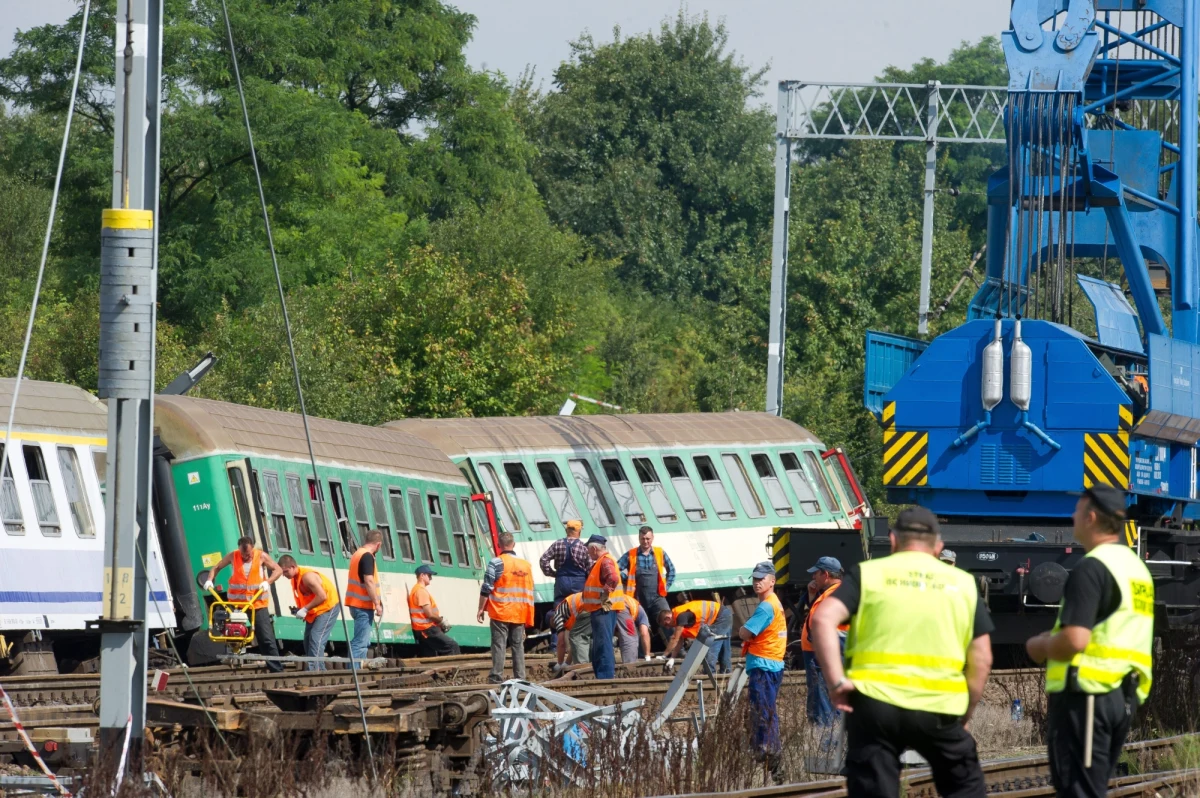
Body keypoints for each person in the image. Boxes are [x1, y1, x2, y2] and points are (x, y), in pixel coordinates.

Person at [809, 506, 994, 798]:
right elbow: (982, 658)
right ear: (938, 547)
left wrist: (836, 682)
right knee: (965, 787)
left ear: (893, 540)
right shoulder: (963, 584)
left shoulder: (868, 574)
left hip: (873, 706)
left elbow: (822, 619)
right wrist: (967, 712)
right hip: (939, 706)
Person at [1025, 485, 1153, 798]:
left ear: (1091, 518)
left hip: (1087, 696)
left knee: (1078, 791)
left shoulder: (1091, 568)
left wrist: (1040, 646)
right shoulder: (1136, 569)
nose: (1072, 517)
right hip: (1121, 697)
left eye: (1077, 511)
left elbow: (1076, 639)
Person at [201, 536, 285, 673]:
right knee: (231, 634)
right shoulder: (233, 556)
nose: (246, 557)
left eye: (248, 554)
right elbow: (216, 567)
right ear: (239, 549)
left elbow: (278, 570)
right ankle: (231, 664)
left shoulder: (261, 556)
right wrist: (210, 580)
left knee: (266, 638)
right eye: (243, 554)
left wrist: (267, 582)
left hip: (256, 604)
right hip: (236, 604)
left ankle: (276, 670)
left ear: (253, 548)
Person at [738, 561, 787, 784]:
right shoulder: (775, 603)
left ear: (772, 581)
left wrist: (741, 630)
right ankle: (768, 751)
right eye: (755, 579)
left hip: (763, 664)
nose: (757, 582)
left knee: (762, 710)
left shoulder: (767, 606)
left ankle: (768, 753)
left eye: (761, 579)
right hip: (772, 663)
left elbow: (746, 633)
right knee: (767, 709)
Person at [477, 531, 535, 683]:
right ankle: (520, 678)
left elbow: (487, 587)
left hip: (500, 610)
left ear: (499, 545)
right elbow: (530, 589)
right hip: (520, 611)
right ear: (513, 544)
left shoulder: (496, 563)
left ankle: (496, 676)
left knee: (499, 644)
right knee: (518, 645)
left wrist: (481, 608)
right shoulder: (526, 565)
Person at [801, 556, 848, 727]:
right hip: (824, 654)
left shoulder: (833, 596)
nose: (813, 577)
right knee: (822, 700)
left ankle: (825, 746)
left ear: (825, 574)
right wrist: (813, 595)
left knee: (824, 704)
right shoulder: (834, 594)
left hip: (823, 657)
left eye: (816, 574)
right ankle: (826, 741)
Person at [278, 555, 341, 671]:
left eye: (285, 572)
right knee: (307, 641)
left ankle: (316, 671)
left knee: (316, 638)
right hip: (315, 611)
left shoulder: (307, 577)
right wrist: (301, 610)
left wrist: (305, 609)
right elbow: (307, 597)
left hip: (328, 607)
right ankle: (317, 669)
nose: (284, 575)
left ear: (292, 567)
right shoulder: (295, 579)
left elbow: (322, 596)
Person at [617, 525, 675, 646]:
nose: (645, 541)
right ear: (639, 538)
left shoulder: (659, 553)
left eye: (648, 538)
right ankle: (641, 655)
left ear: (652, 538)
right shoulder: (631, 555)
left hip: (657, 597)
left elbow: (672, 571)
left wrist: (665, 587)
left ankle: (676, 651)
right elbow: (615, 569)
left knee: (668, 620)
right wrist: (626, 579)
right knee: (637, 626)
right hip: (637, 598)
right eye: (643, 538)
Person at [580, 534, 622, 679]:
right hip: (600, 609)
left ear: (593, 548)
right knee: (601, 642)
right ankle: (602, 674)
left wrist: (605, 593)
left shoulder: (605, 562)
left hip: (603, 609)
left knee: (603, 643)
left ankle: (605, 676)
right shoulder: (602, 562)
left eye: (588, 550)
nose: (587, 552)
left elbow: (613, 578)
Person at [659, 599, 733, 674]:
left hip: (721, 616)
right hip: (723, 613)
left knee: (712, 645)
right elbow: (679, 641)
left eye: (666, 624)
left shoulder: (681, 616)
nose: (668, 628)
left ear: (668, 618)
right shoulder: (679, 618)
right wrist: (672, 658)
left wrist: (664, 656)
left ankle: (709, 674)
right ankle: (726, 673)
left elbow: (675, 638)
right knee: (724, 648)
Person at [346, 529, 385, 668]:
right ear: (378, 545)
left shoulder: (357, 554)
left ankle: (353, 672)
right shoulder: (367, 556)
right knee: (360, 643)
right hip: (363, 605)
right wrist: (377, 603)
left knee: (359, 641)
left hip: (355, 604)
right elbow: (368, 581)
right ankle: (354, 674)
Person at [409, 564, 461, 657]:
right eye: (429, 575)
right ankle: (454, 669)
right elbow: (429, 614)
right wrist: (441, 621)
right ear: (422, 575)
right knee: (452, 646)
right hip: (427, 629)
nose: (431, 578)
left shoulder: (416, 589)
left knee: (431, 656)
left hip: (422, 630)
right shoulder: (420, 591)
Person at [540, 519, 591, 604]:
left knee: (559, 608)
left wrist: (552, 573)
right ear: (579, 532)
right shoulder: (583, 547)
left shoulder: (557, 544)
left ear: (566, 530)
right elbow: (590, 567)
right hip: (579, 582)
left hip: (561, 581)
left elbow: (543, 559)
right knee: (579, 608)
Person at [551, 591, 591, 671]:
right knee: (584, 638)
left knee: (577, 638)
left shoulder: (557, 616)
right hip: (591, 604)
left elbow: (561, 643)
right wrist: (567, 663)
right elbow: (573, 645)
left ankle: (583, 666)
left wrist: (559, 663)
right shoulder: (568, 619)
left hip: (584, 605)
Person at [615, 592, 653, 665]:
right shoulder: (643, 616)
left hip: (609, 602)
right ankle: (630, 666)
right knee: (630, 637)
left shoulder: (635, 607)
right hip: (621, 605)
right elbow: (644, 633)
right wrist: (647, 657)